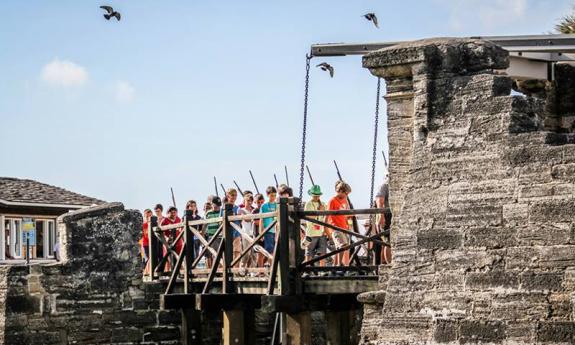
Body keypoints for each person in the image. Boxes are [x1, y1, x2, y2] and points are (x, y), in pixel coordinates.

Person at [327, 181, 352, 266]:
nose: (347, 195)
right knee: (342, 245)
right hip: (335, 227)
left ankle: (335, 266)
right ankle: (339, 265)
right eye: (346, 193)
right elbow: (327, 215)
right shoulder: (332, 201)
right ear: (340, 191)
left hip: (344, 227)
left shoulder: (345, 200)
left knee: (340, 247)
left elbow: (346, 213)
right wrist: (325, 228)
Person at [303, 185, 327, 267]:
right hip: (310, 233)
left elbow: (326, 216)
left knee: (322, 252)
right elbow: (308, 217)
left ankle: (322, 270)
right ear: (311, 195)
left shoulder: (323, 204)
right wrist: (318, 211)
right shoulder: (308, 204)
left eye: (318, 195)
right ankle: (307, 270)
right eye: (315, 195)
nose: (317, 196)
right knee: (309, 252)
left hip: (321, 232)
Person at [221, 188, 242, 266]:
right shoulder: (223, 208)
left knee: (237, 251)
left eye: (235, 195)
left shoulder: (237, 208)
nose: (234, 197)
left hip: (236, 232)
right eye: (232, 195)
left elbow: (240, 219)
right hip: (227, 233)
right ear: (228, 196)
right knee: (227, 251)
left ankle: (235, 269)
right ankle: (228, 268)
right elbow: (220, 221)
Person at [374, 174, 392, 264]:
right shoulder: (384, 186)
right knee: (388, 241)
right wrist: (381, 216)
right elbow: (379, 201)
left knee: (389, 241)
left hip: (390, 215)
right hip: (386, 216)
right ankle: (389, 264)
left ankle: (386, 263)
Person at [259, 186, 278, 264]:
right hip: (268, 231)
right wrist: (261, 232)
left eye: (274, 195)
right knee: (270, 250)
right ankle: (271, 268)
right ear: (267, 195)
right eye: (271, 195)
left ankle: (273, 267)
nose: (273, 197)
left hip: (276, 231)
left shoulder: (278, 205)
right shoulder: (264, 206)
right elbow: (261, 219)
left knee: (276, 250)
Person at [237, 192, 256, 268]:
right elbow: (246, 219)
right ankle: (241, 268)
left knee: (254, 254)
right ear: (244, 201)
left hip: (253, 233)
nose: (249, 202)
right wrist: (251, 218)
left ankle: (252, 271)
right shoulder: (241, 210)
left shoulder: (254, 210)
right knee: (246, 253)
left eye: (251, 201)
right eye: (248, 200)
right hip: (245, 234)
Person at [161, 206, 183, 271]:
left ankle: (179, 271)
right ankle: (171, 272)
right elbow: (160, 232)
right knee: (169, 258)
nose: (173, 214)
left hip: (178, 242)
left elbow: (182, 230)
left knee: (178, 257)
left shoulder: (179, 219)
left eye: (175, 212)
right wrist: (166, 238)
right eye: (172, 212)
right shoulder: (164, 220)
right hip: (168, 243)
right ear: (168, 213)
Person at [204, 196, 222, 268]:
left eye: (218, 205)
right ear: (212, 204)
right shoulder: (208, 213)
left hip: (220, 235)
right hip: (211, 235)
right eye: (216, 205)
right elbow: (205, 224)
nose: (217, 207)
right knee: (213, 253)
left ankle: (218, 269)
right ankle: (215, 270)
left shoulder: (222, 212)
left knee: (219, 253)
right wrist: (202, 235)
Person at [253, 193, 266, 268]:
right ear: (255, 202)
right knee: (259, 254)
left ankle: (260, 268)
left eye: (261, 202)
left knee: (266, 253)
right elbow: (256, 222)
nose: (260, 204)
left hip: (265, 234)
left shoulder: (264, 209)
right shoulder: (255, 210)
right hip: (258, 235)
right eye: (258, 202)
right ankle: (260, 270)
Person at [142, 209, 153, 275]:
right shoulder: (143, 225)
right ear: (144, 216)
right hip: (146, 244)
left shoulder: (154, 223)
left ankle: (150, 271)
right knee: (148, 258)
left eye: (150, 216)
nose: (149, 218)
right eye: (147, 216)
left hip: (153, 243)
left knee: (154, 258)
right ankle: (147, 272)